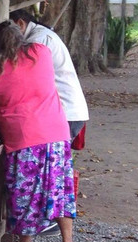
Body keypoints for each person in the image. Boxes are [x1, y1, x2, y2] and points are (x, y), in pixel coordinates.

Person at [0, 21, 81, 242]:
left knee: (26, 192)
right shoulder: (41, 53)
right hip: (55, 133)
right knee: (60, 189)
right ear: (21, 37)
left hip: (22, 137)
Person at [9, 9, 88, 142]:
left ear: (21, 24)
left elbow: (29, 78)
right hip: (63, 111)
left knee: (55, 159)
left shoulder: (38, 41)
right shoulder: (40, 36)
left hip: (64, 112)